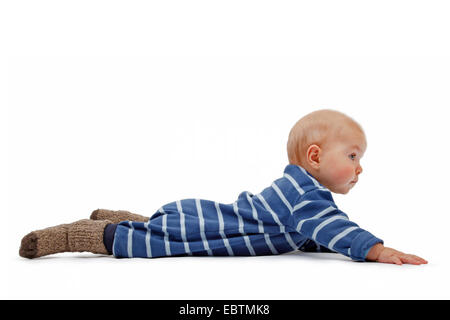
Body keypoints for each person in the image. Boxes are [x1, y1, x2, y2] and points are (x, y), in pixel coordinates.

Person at [19, 109, 428, 265]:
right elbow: (335, 230)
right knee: (152, 243)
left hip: (203, 214)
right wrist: (377, 249)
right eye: (353, 156)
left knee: (161, 226)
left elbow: (315, 236)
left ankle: (123, 216)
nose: (360, 168)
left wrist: (337, 246)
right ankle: (81, 233)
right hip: (208, 229)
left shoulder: (302, 197)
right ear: (315, 158)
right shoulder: (305, 197)